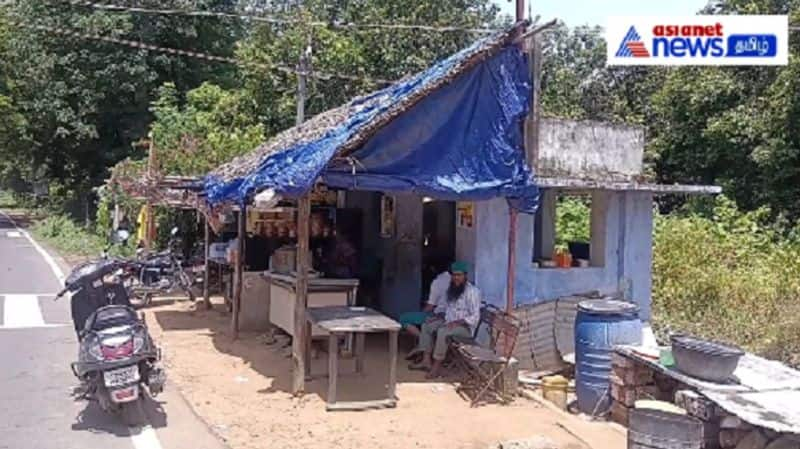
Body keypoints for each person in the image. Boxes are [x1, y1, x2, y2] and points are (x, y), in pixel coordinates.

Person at [410, 261, 481, 379]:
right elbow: (447, 309)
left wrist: (458, 322)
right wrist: (438, 316)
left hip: (465, 328)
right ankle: (426, 361)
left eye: (459, 275)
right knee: (427, 325)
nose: (456, 278)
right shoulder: (452, 289)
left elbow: (475, 316)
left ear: (465, 276)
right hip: (449, 322)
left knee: (443, 332)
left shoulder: (472, 292)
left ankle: (436, 367)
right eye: (454, 275)